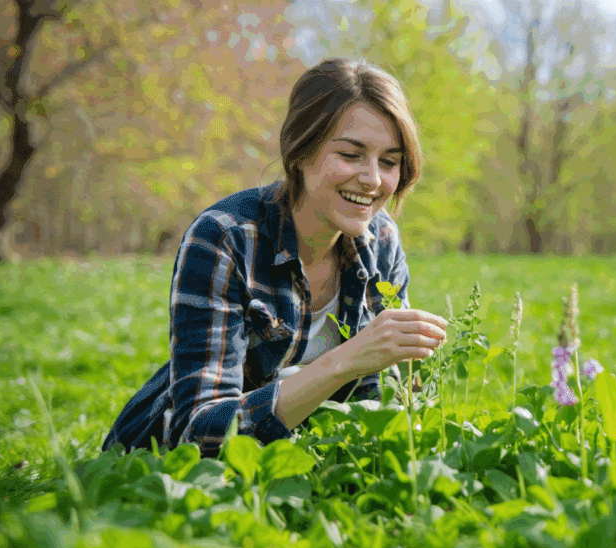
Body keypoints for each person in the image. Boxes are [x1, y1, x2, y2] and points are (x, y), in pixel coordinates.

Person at [102, 58, 448, 457]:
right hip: (160, 470)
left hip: (301, 466)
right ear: (300, 151)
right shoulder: (225, 238)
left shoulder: (380, 240)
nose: (372, 179)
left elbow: (385, 396)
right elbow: (197, 435)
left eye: (389, 161)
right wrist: (345, 360)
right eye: (351, 155)